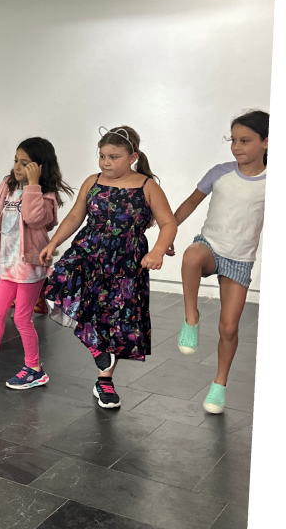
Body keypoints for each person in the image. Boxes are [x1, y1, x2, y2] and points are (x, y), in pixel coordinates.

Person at [40, 126, 177, 409]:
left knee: (114, 319)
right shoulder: (93, 181)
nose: (105, 162)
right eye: (102, 156)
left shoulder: (146, 186)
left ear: (133, 157)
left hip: (126, 262)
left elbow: (168, 223)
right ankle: (97, 349)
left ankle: (104, 380)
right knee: (62, 286)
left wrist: (158, 251)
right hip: (89, 253)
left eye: (113, 157)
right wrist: (53, 244)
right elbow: (76, 216)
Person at [168, 110, 270, 414]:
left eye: (245, 140)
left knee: (229, 329)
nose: (237, 147)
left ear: (267, 143)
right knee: (191, 255)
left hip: (240, 260)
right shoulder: (220, 172)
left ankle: (219, 384)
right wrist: (167, 234)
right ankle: (191, 318)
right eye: (233, 140)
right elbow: (189, 203)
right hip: (211, 247)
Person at [0, 138, 72, 388]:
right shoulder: (7, 186)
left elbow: (34, 219)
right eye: (16, 161)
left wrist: (32, 185)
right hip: (8, 265)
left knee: (21, 318)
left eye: (25, 163)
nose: (17, 167)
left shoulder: (46, 195)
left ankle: (35, 368)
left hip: (30, 267)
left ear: (40, 167)